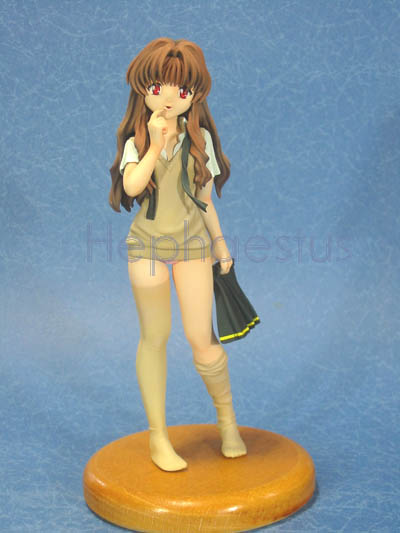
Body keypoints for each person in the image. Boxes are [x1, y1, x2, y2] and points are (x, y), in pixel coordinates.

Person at [109, 37, 247, 471]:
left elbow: (205, 201)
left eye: (181, 90)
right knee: (155, 337)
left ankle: (227, 421)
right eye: (158, 87)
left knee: (201, 338)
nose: (169, 98)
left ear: (194, 95)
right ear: (143, 89)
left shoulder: (199, 139)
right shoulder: (137, 142)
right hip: (147, 246)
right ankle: (158, 437)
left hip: (192, 246)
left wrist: (220, 245)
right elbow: (132, 186)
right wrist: (154, 145)